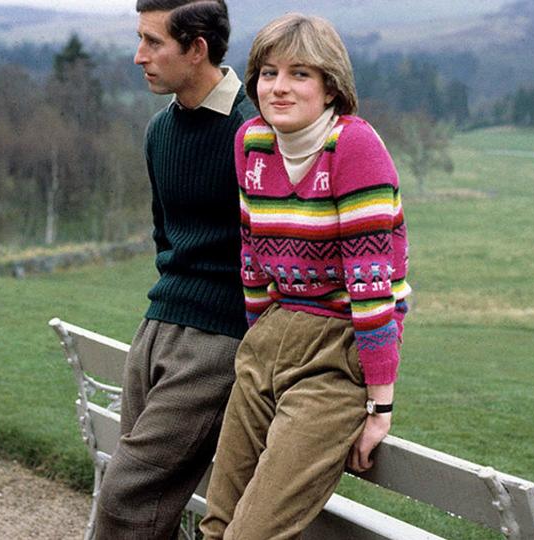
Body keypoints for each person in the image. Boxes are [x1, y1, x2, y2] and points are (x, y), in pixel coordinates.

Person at [199, 13, 411, 539]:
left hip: (335, 354)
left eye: (300, 74)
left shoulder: (353, 148)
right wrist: (257, 339)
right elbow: (250, 251)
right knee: (216, 523)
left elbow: (371, 288)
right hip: (270, 338)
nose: (280, 87)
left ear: (330, 85)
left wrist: (380, 404)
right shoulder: (251, 142)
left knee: (252, 534)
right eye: (268, 73)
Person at [92, 1, 257, 538]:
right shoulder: (159, 132)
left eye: (153, 42)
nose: (139, 57)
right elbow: (166, 236)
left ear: (197, 48)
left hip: (220, 340)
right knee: (141, 498)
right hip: (157, 326)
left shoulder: (254, 131)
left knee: (127, 496)